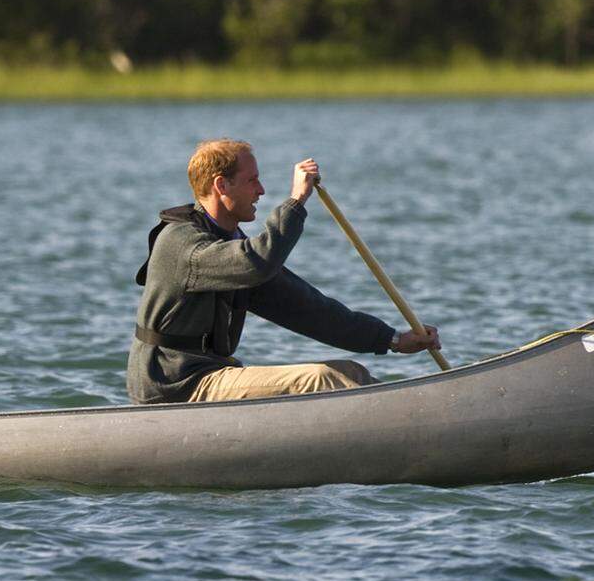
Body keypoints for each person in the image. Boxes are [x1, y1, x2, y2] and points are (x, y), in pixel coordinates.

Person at [127, 139, 440, 404]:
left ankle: (418, 420)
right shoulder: (185, 245)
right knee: (323, 380)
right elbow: (257, 260)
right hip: (173, 385)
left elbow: (311, 311)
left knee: (351, 373)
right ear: (221, 185)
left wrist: (394, 339)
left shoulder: (231, 248)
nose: (261, 190)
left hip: (208, 374)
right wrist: (296, 200)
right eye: (252, 180)